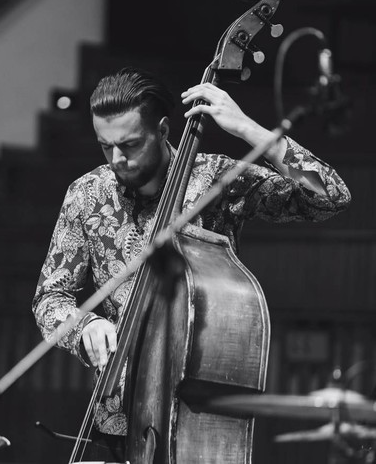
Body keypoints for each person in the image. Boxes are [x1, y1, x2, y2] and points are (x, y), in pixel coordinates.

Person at [32, 67, 351, 461]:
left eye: (130, 145)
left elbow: (329, 197)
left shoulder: (217, 180)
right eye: (105, 146)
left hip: (197, 419)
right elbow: (49, 297)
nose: (117, 159)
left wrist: (247, 128)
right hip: (118, 419)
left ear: (163, 131)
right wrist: (86, 326)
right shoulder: (86, 194)